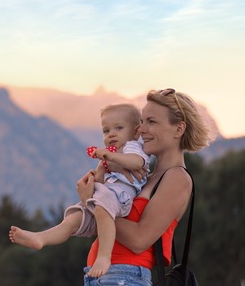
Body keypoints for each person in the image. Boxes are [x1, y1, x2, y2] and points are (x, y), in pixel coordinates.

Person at [77, 88, 211, 285]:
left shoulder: (177, 178)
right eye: (141, 121)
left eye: (151, 122)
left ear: (179, 129)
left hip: (124, 277)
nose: (141, 129)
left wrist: (91, 201)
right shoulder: (147, 176)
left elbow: (139, 240)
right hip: (104, 276)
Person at [9, 103, 150, 278]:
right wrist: (93, 178)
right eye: (106, 131)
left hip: (121, 197)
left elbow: (136, 163)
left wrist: (110, 156)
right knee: (72, 219)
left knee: (102, 208)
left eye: (119, 128)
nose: (111, 134)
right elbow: (100, 177)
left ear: (136, 131)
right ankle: (41, 238)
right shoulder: (110, 154)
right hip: (103, 197)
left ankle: (104, 256)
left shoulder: (133, 147)